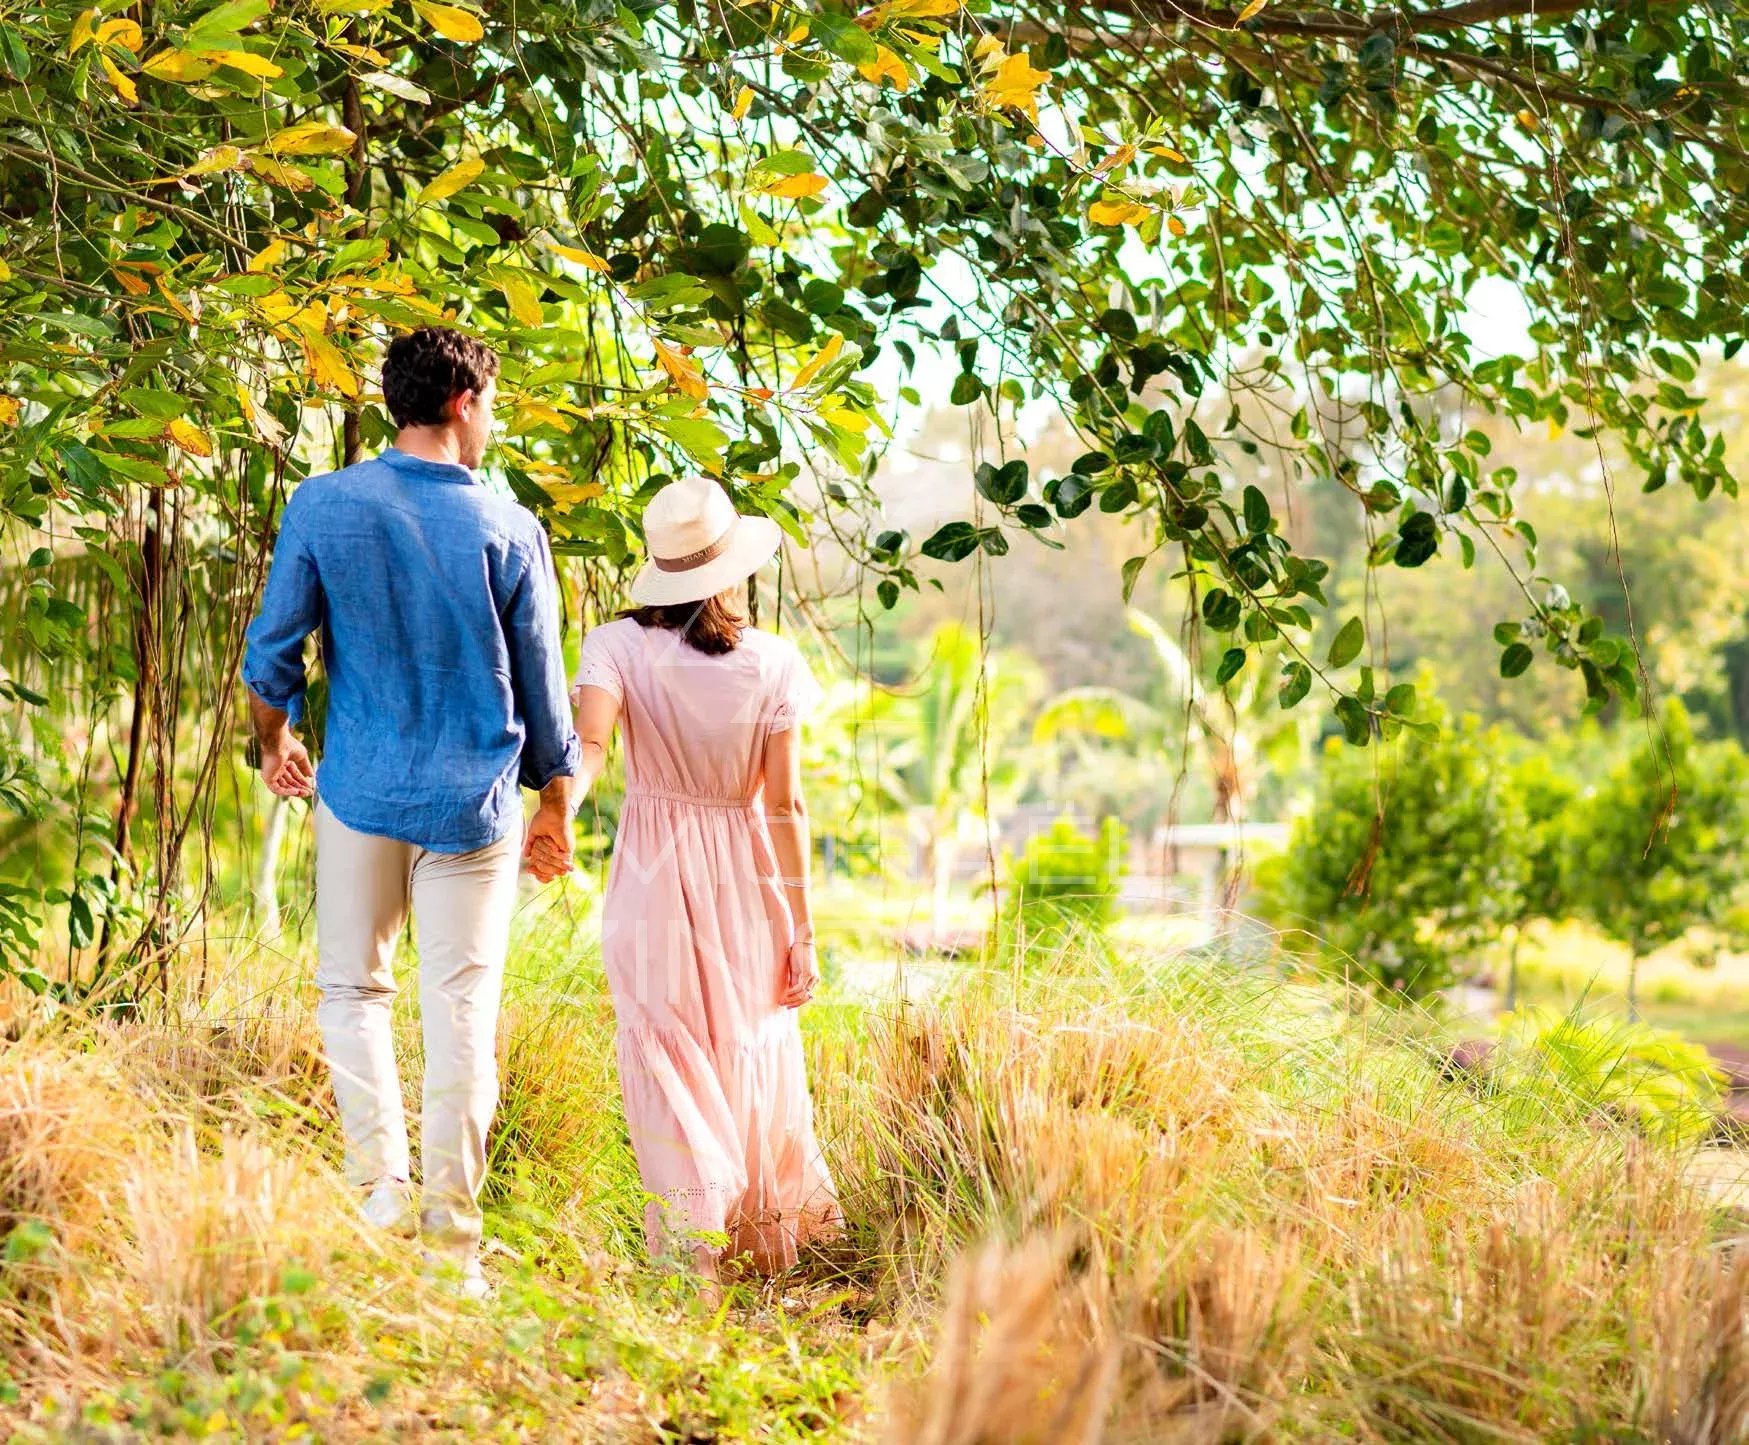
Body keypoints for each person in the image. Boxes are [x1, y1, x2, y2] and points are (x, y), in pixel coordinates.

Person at [241, 327, 580, 1298]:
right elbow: (545, 695)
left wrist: (277, 739)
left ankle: (379, 1195)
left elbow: (272, 654)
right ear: (467, 402)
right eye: (494, 406)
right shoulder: (510, 527)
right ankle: (451, 1249)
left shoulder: (324, 504)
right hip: (472, 807)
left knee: (353, 992)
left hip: (357, 793)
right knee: (461, 1015)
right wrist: (555, 800)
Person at [551, 475, 839, 1281]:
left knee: (667, 1057)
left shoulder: (614, 644)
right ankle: (752, 1253)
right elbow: (784, 804)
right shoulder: (774, 662)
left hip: (650, 872)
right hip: (747, 881)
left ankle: (691, 1258)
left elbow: (593, 748)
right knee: (744, 1051)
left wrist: (558, 813)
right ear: (729, 571)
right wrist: (801, 928)